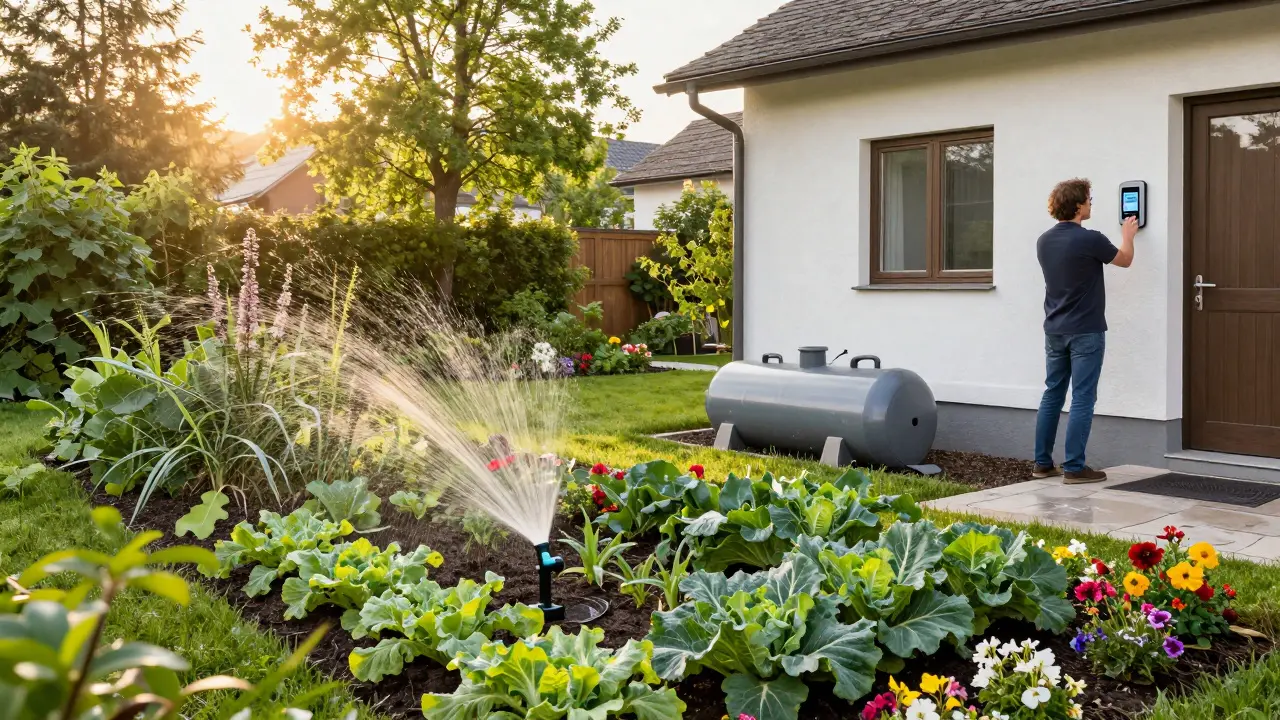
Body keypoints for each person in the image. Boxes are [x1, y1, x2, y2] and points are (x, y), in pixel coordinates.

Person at [1033, 178, 1138, 484]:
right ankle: (1075, 467)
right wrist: (1128, 235)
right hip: (1086, 331)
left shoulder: (1044, 240)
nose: (1091, 204)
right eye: (1089, 199)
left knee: (1052, 393)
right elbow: (1126, 260)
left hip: (1054, 329)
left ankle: (1042, 463)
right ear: (1078, 205)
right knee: (1082, 397)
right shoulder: (1090, 239)